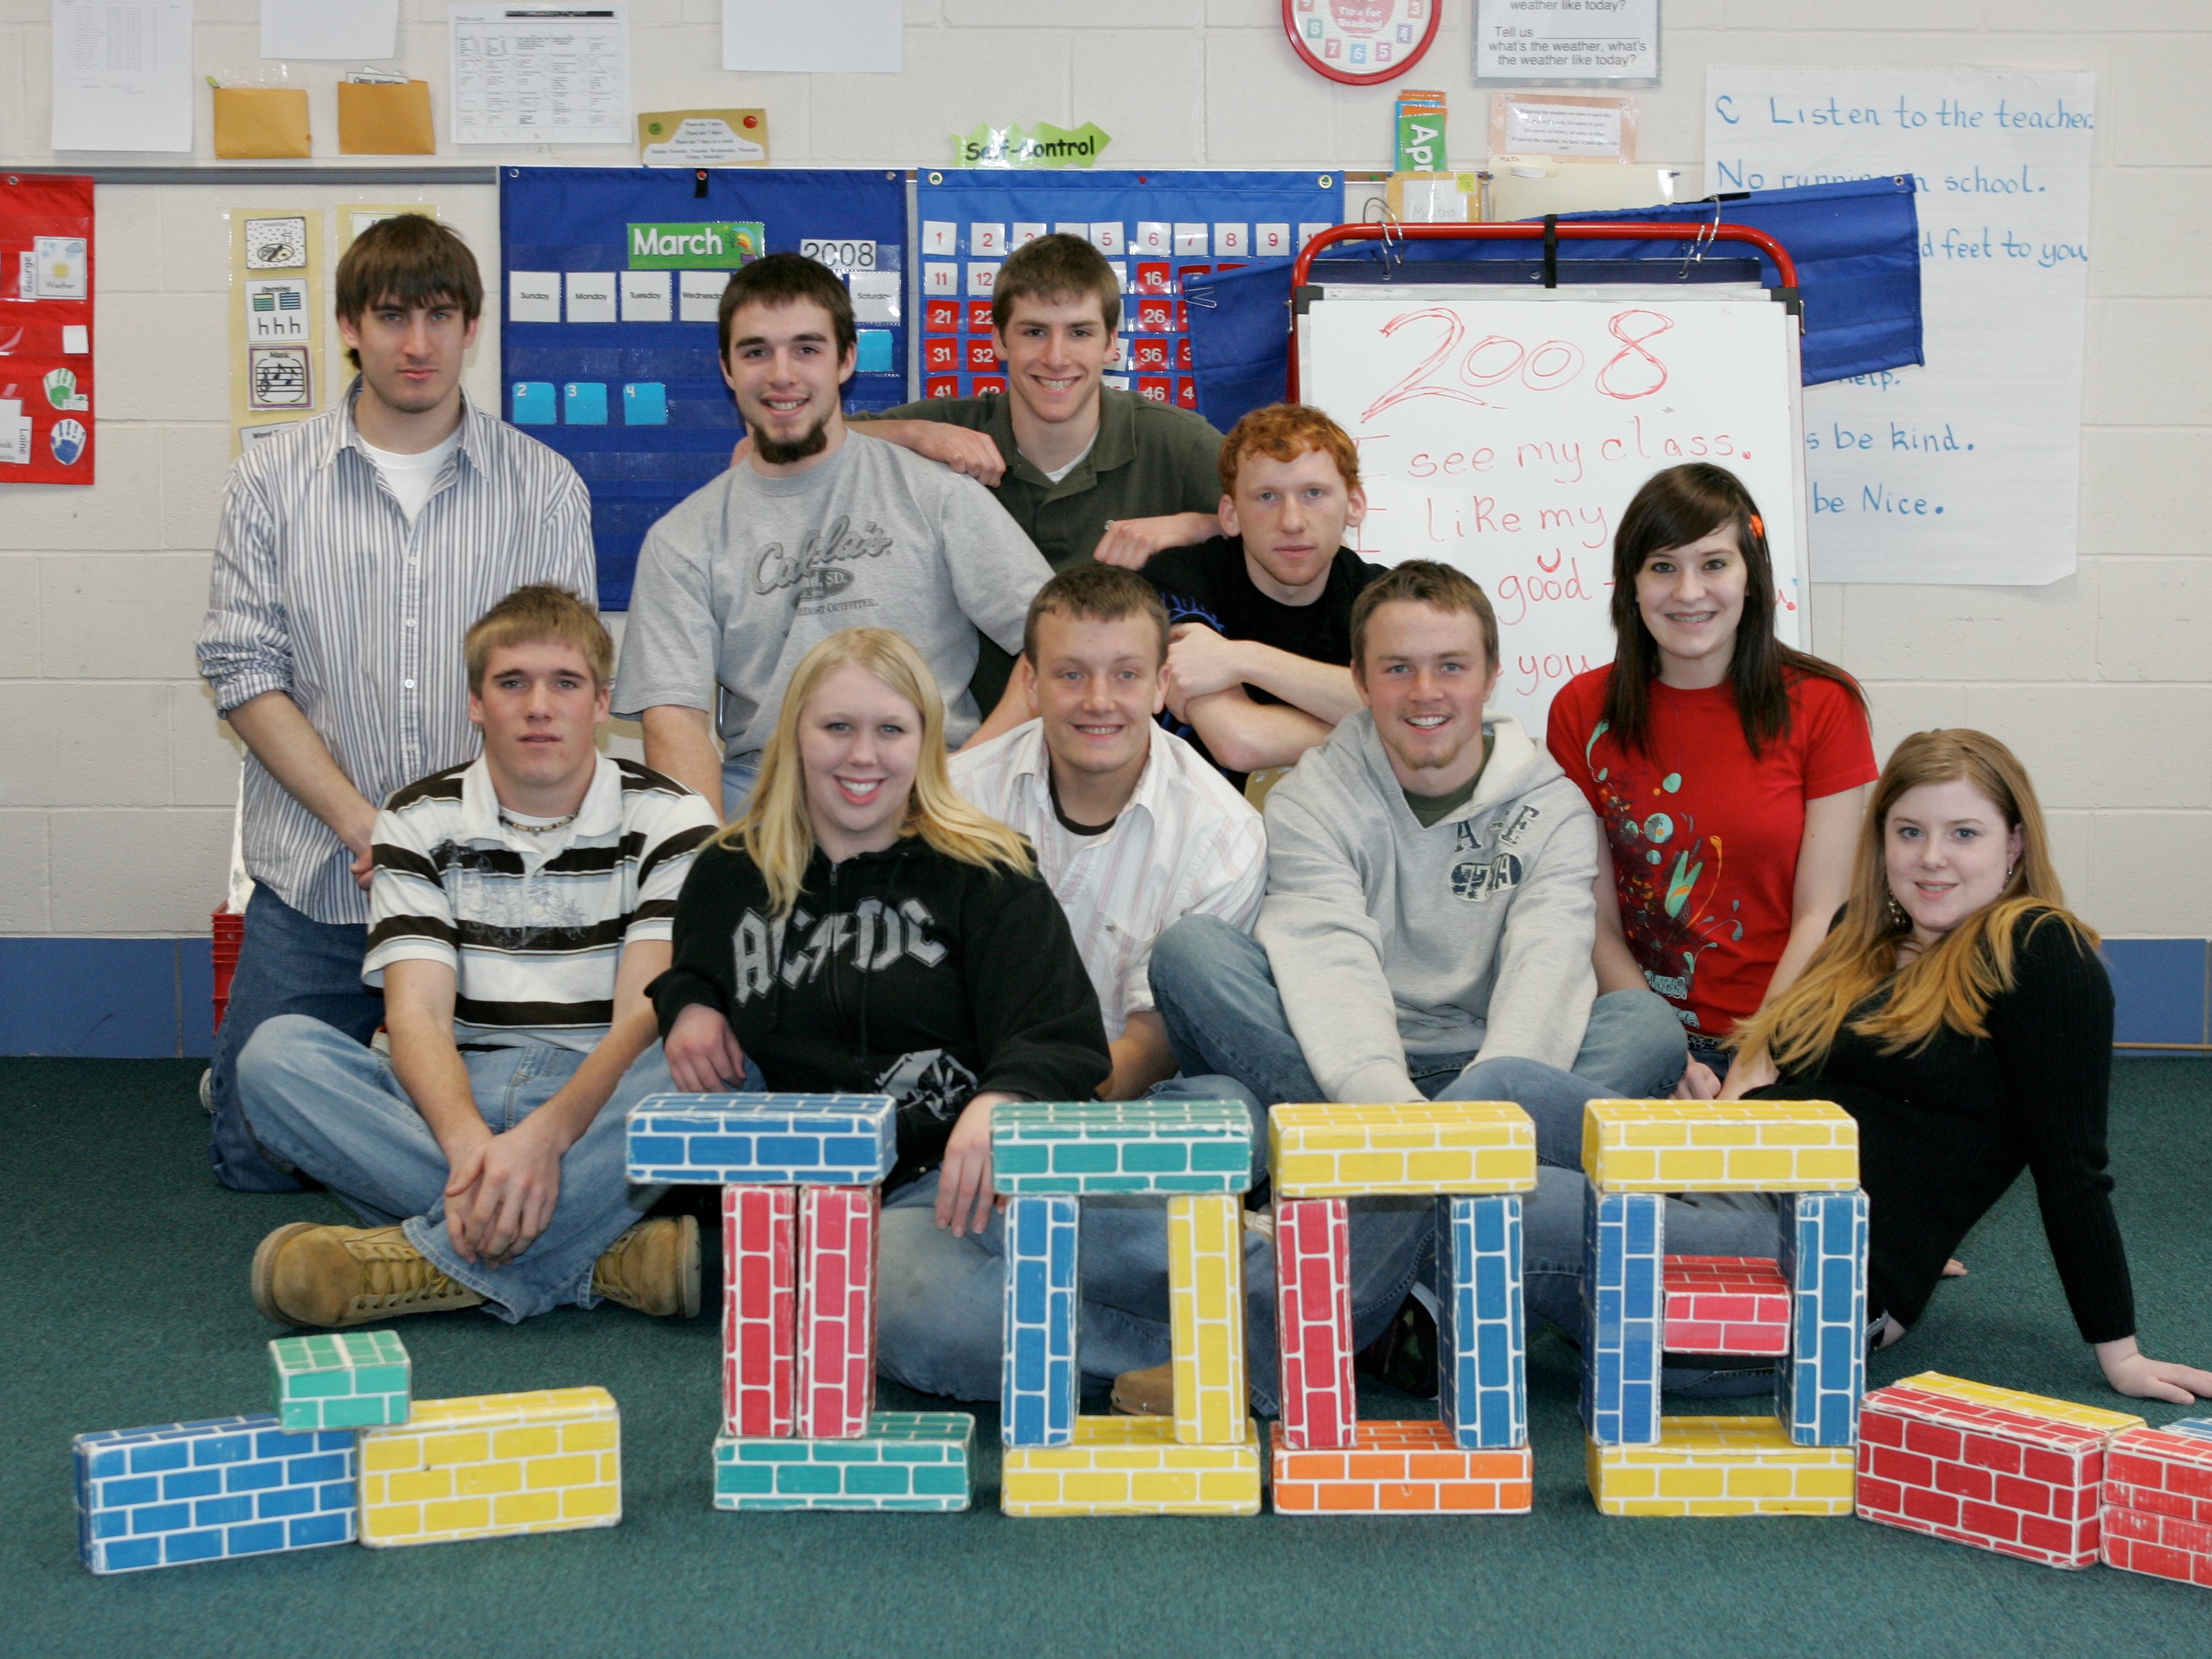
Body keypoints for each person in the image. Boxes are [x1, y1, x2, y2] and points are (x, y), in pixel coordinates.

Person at [1146, 561, 1689, 1373]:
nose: (1425, 691)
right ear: (1360, 680)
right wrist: (1400, 1121)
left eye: (1450, 666)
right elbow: (1327, 955)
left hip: (1496, 1066)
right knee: (1193, 951)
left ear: (1490, 676)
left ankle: (1340, 1274)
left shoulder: (1552, 806)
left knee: (1644, 1024)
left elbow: (1546, 964)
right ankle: (1432, 1243)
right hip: (1342, 1068)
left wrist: (1477, 1113)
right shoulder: (1311, 796)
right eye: (1397, 667)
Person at [197, 214, 595, 1192]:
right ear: (348, 327)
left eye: (440, 316)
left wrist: (445, 840)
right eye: (390, 317)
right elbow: (242, 670)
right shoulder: (268, 482)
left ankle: (403, 1125)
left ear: (472, 328)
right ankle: (436, 1143)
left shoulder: (543, 486)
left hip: (492, 881)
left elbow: (559, 688)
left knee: (542, 1104)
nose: (417, 343)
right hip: (326, 876)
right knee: (253, 1159)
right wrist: (368, 826)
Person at [650, 629, 1117, 1398]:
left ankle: (1229, 1326)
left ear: (925, 743)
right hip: (881, 1212)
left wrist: (1005, 1099)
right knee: (902, 1315)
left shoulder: (990, 871)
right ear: (794, 735)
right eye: (837, 726)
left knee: (1156, 1227)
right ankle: (1190, 1356)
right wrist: (689, 1002)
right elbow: (694, 965)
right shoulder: (727, 873)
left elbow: (1059, 1031)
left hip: (1007, 1167)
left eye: (890, 729)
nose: (862, 755)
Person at [236, 587, 719, 1328]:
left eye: (566, 683)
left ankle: (420, 1259)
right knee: (274, 1058)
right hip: (455, 1095)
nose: (539, 707)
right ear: (475, 703)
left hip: (603, 1101)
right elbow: (417, 1016)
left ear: (601, 703)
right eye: (512, 682)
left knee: (720, 1060)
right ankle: (601, 1256)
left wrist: (547, 1137)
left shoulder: (673, 818)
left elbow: (639, 1021)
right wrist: (468, 1149)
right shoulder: (415, 818)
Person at [1728, 729, 2212, 1404]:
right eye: (1908, 832)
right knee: (1596, 1055)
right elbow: (1799, 1073)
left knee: (1575, 1212)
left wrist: (2121, 1353)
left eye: (1963, 834)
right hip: (1731, 1180)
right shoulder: (1859, 934)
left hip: (1809, 1261)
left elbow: (2071, 1171)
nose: (1931, 858)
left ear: (2013, 844)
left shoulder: (2038, 954)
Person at [614, 253, 1054, 819]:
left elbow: (1055, 644)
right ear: (726, 368)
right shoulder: (682, 540)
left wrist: (966, 778)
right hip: (769, 792)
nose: (781, 374)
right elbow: (674, 722)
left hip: (928, 782)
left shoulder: (937, 495)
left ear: (846, 359)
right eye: (755, 352)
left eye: (806, 349)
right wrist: (705, 855)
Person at [1547, 464, 1875, 1095]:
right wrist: (1661, 1049)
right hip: (1634, 1030)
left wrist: (1756, 1056)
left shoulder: (1824, 703)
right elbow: (1591, 915)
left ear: (1751, 577)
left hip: (1784, 1031)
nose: (1688, 591)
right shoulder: (1580, 711)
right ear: (1631, 585)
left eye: (1714, 564)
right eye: (1662, 567)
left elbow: (1821, 913)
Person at [851, 232, 1226, 711]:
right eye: (1034, 332)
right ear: (998, 340)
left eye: (1079, 332)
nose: (1055, 357)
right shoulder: (949, 430)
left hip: (1120, 730)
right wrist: (913, 434)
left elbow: (1289, 525)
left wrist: (1194, 526)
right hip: (977, 738)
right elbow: (786, 444)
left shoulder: (1174, 442)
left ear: (1112, 343)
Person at [949, 564, 1266, 1103]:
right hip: (962, 1086)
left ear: (1160, 685)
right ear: (1031, 684)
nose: (1099, 701)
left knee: (1223, 1104)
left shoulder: (1224, 835)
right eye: (1071, 675)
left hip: (1112, 1100)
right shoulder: (957, 798)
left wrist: (1031, 1103)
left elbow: (1154, 1043)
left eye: (1126, 675)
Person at [1140, 403, 1388, 793]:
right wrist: (1385, 734)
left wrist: (1241, 659)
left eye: (1313, 493)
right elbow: (1241, 742)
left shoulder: (1387, 601)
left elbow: (1415, 701)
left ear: (1354, 505)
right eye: (1267, 496)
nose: (1292, 522)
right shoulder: (1179, 579)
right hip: (1203, 823)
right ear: (1230, 514)